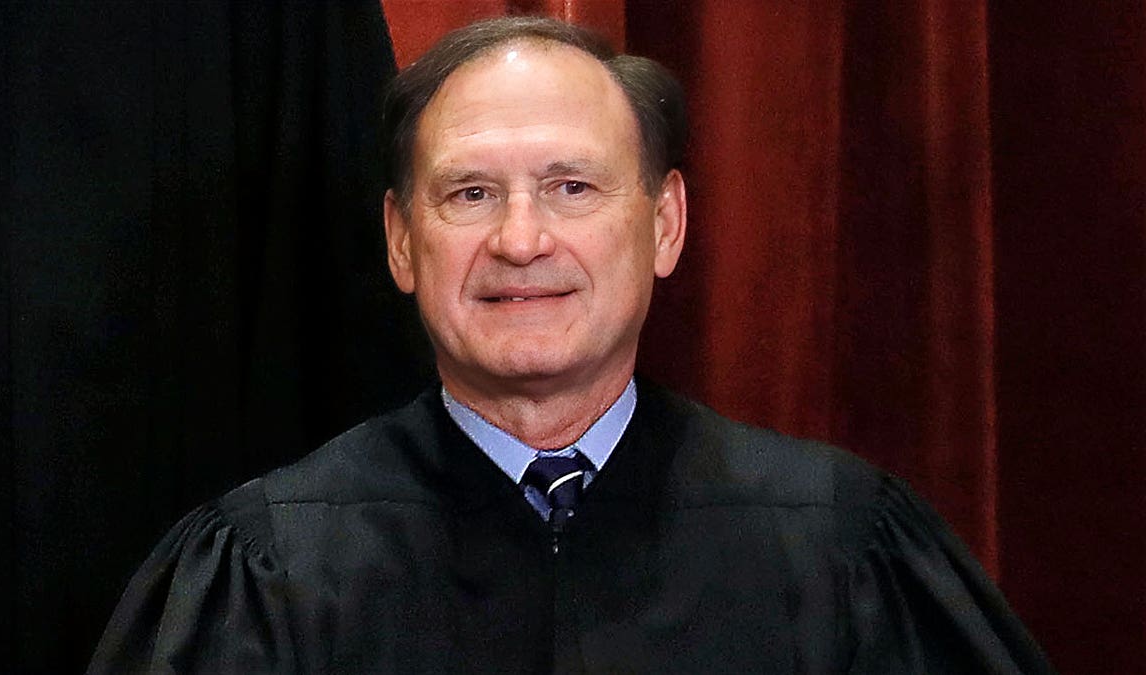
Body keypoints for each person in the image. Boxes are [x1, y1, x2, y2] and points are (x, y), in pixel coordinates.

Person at [89, 16, 1054, 674]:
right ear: (399, 240)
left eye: (572, 187)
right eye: (470, 193)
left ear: (666, 223)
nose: (521, 240)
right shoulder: (269, 571)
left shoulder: (840, 547)